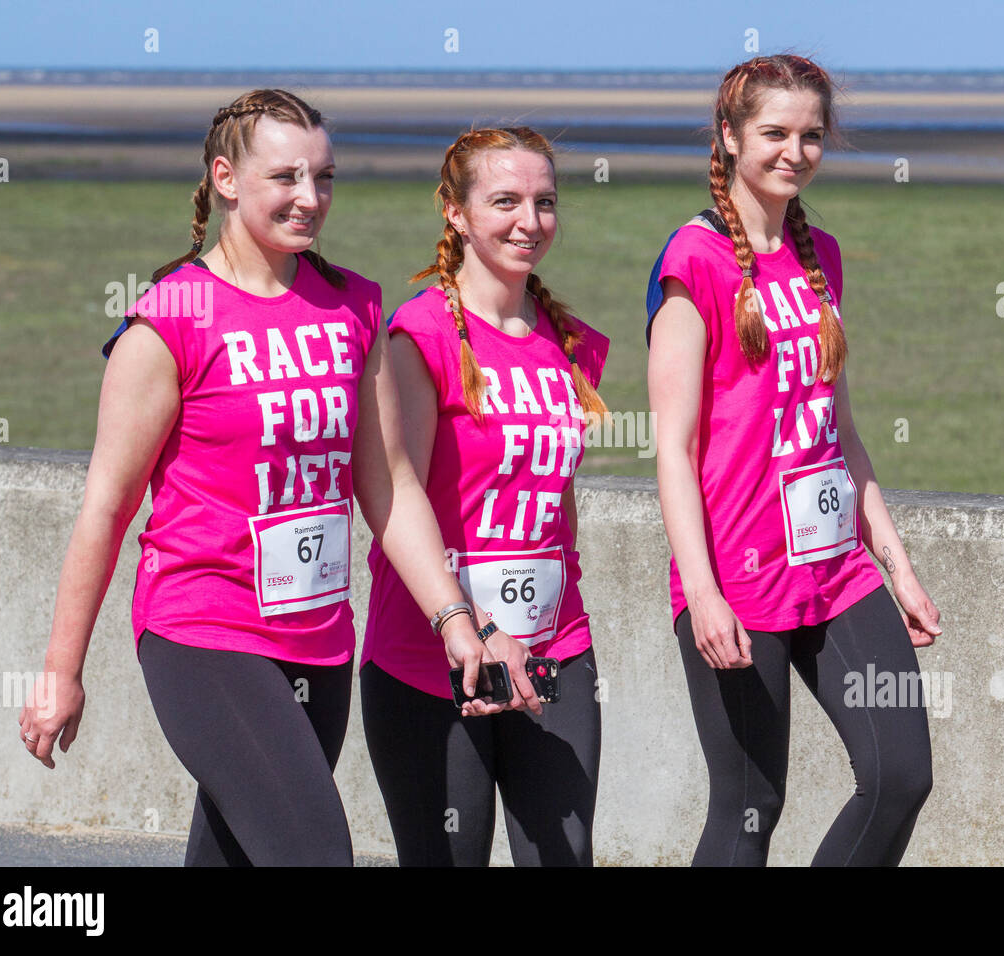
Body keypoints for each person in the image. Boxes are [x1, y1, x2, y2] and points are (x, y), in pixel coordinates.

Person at [16, 89, 491, 866]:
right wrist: (60, 674)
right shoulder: (170, 320)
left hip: (316, 638)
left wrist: (453, 615)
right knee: (313, 851)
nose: (311, 199)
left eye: (325, 178)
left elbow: (390, 485)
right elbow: (105, 508)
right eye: (287, 179)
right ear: (227, 178)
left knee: (234, 855)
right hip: (202, 631)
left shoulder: (352, 309)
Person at [645, 55, 941, 866]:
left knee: (900, 775)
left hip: (836, 567)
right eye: (773, 132)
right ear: (729, 137)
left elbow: (839, 431)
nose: (794, 151)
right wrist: (700, 592)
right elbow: (674, 447)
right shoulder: (692, 262)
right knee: (750, 804)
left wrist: (898, 568)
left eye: (811, 135)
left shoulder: (823, 258)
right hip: (736, 575)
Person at [360, 126, 610, 866]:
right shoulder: (418, 336)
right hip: (430, 658)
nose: (527, 222)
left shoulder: (576, 345)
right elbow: (400, 498)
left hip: (555, 653)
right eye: (504, 201)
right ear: (456, 212)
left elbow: (550, 500)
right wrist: (473, 621)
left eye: (544, 202)